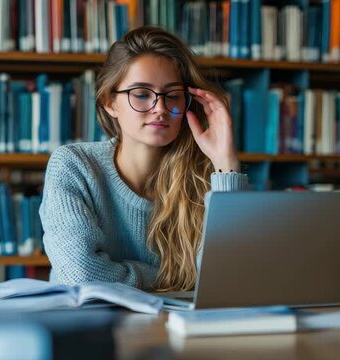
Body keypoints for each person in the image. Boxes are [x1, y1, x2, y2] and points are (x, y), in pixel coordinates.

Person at [39, 26, 247, 292]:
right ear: (109, 102)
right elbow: (80, 274)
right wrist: (168, 280)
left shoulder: (205, 178)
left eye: (172, 95)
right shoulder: (74, 165)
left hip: (174, 329)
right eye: (141, 94)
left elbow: (231, 278)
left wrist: (226, 165)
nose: (160, 108)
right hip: (90, 327)